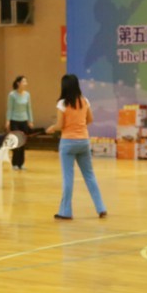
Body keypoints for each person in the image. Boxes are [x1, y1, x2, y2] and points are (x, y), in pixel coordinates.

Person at [45, 74, 106, 220]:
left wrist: (52, 128)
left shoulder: (62, 103)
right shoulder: (84, 101)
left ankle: (65, 212)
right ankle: (101, 207)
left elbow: (60, 125)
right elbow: (90, 119)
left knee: (68, 178)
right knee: (90, 176)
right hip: (84, 141)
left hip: (68, 143)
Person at [5, 75, 34, 170]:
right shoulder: (12, 95)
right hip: (15, 121)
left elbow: (29, 108)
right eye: (24, 82)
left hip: (24, 121)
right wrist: (8, 120)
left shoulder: (27, 95)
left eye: (26, 82)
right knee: (16, 143)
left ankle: (21, 163)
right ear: (18, 83)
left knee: (23, 143)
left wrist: (30, 120)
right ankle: (14, 163)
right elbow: (10, 109)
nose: (25, 84)